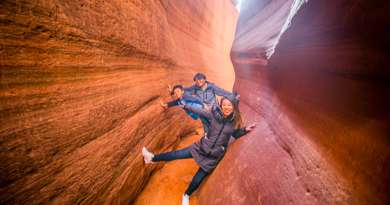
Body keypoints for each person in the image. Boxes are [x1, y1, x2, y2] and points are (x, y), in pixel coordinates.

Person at [142, 96, 256, 205]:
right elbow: (199, 111)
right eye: (224, 105)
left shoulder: (234, 122)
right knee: (177, 154)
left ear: (234, 106)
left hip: (213, 156)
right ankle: (152, 158)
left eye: (229, 105)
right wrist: (186, 106)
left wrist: (244, 130)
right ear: (221, 106)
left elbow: (234, 134)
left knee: (197, 180)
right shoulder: (214, 116)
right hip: (201, 148)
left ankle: (186, 195)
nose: (226, 107)